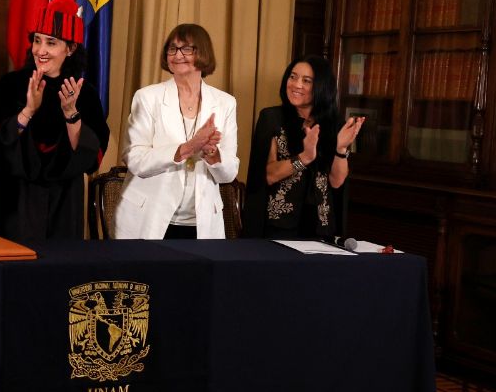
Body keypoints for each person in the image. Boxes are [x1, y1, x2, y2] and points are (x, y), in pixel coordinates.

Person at [0, 0, 110, 241]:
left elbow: (90, 158)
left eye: (51, 43)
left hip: (64, 202)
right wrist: (28, 111)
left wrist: (71, 113)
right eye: (37, 41)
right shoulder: (10, 85)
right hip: (13, 199)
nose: (41, 50)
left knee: (58, 274)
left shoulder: (85, 93)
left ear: (70, 48)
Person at [114, 24, 240, 239]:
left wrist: (212, 153)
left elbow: (229, 173)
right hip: (149, 219)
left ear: (203, 53)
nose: (177, 55)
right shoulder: (147, 98)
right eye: (172, 49)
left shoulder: (225, 103)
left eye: (186, 49)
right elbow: (135, 159)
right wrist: (187, 148)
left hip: (201, 224)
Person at [242, 55, 365, 239]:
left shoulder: (335, 124)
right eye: (293, 77)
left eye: (306, 81)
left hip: (320, 227)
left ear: (322, 87)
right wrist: (304, 158)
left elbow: (337, 181)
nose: (296, 85)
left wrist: (340, 149)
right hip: (278, 226)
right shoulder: (272, 118)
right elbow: (268, 174)